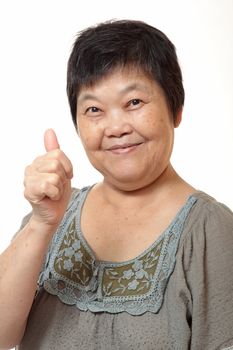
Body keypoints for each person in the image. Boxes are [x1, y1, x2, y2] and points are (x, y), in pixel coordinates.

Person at [0, 20, 233, 350]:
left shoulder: (209, 229)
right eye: (94, 109)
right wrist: (41, 223)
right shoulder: (54, 212)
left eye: (134, 102)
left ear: (176, 109)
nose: (115, 127)